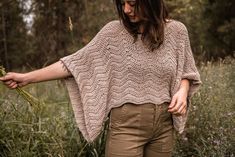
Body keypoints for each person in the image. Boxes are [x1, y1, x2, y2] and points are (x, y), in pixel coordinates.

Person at [0, 0, 201, 156]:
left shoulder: (177, 31)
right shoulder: (113, 33)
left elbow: (187, 71)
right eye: (122, 4)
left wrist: (182, 91)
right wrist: (27, 77)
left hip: (164, 126)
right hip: (126, 127)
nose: (126, 10)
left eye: (132, 3)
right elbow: (74, 63)